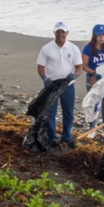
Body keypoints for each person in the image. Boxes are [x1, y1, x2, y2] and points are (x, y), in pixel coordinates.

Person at [37, 21, 83, 151]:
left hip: (68, 85)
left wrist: (75, 75)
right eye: (58, 32)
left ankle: (66, 135)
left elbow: (79, 67)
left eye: (63, 31)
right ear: (54, 33)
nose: (60, 34)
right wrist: (44, 78)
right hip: (52, 85)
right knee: (50, 112)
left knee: (68, 112)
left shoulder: (73, 48)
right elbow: (40, 66)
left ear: (67, 33)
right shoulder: (47, 48)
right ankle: (51, 137)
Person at [81, 24, 104, 138]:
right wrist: (96, 73)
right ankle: (92, 129)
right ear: (94, 36)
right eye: (99, 35)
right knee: (94, 103)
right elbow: (84, 66)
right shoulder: (88, 48)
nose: (102, 37)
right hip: (93, 78)